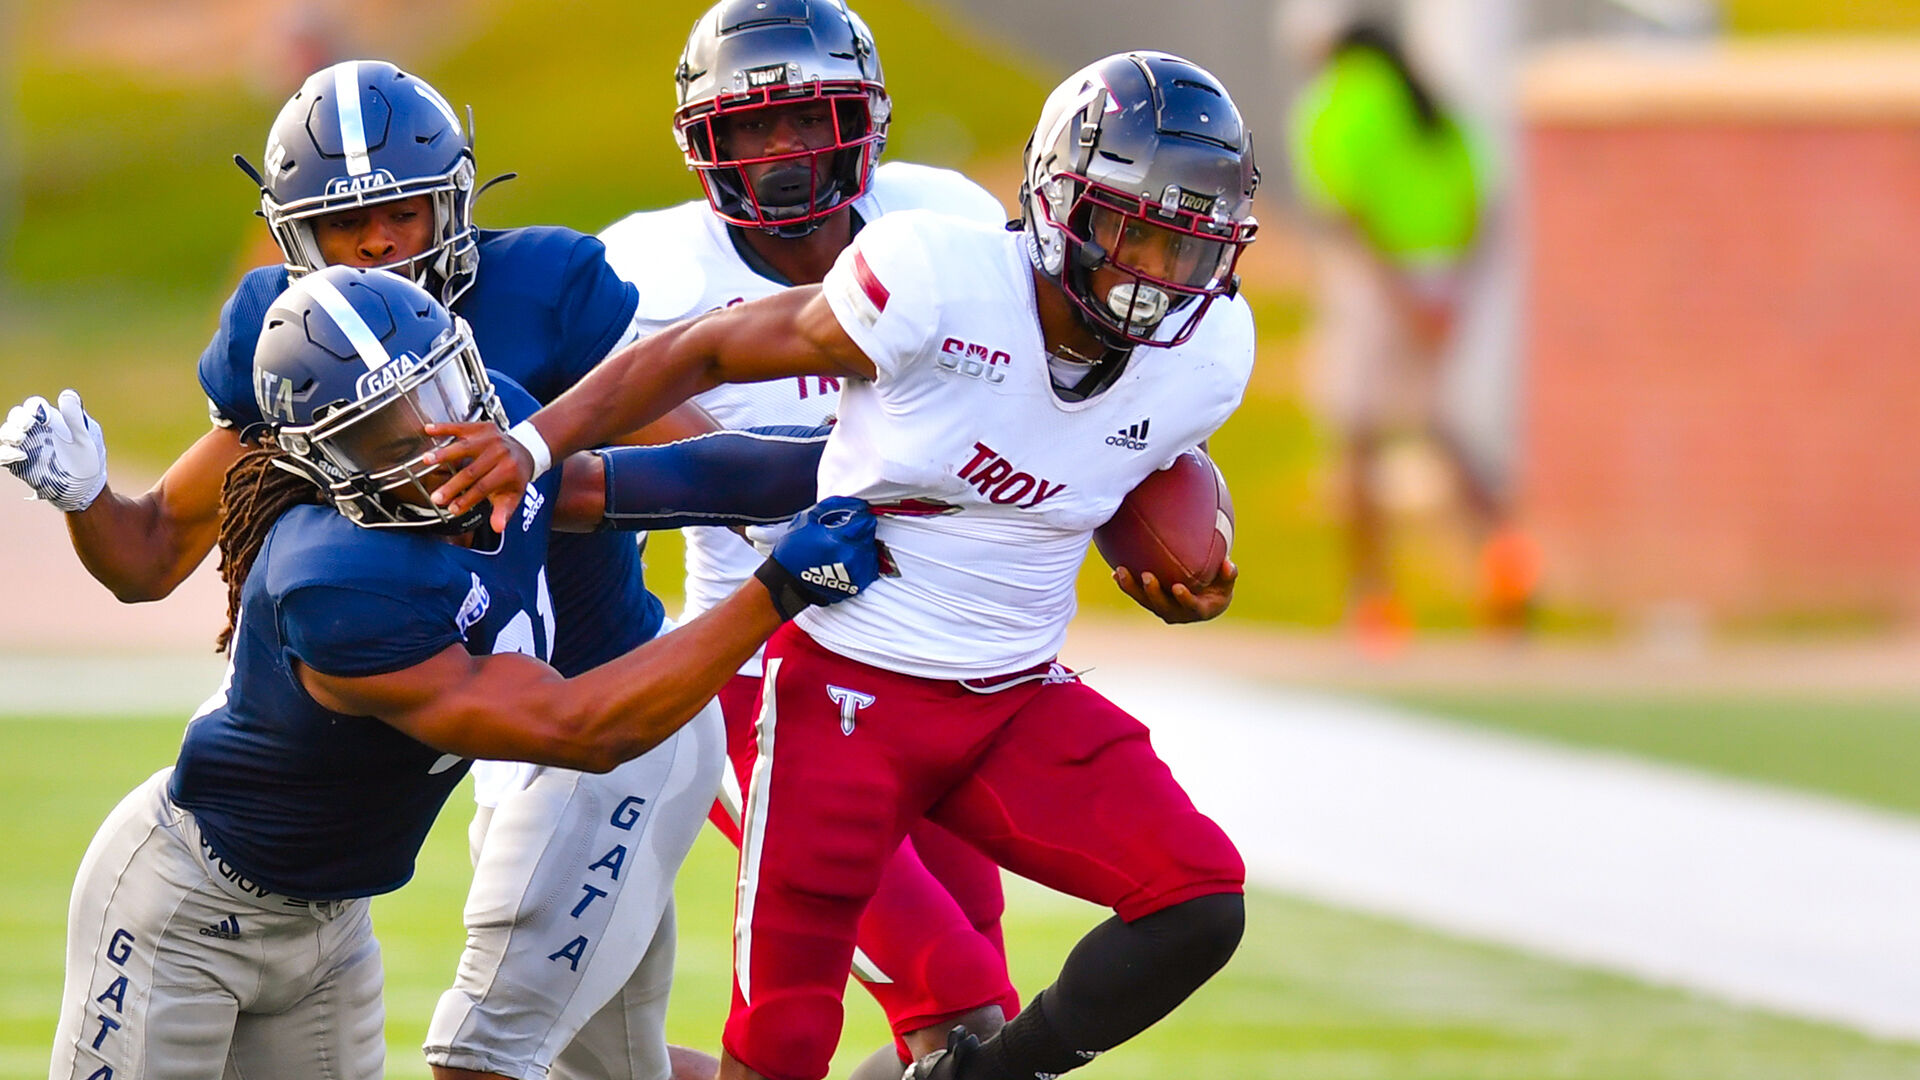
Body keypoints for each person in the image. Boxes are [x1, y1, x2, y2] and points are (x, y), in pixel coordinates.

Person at [428, 50, 1256, 1080]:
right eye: (1134, 232)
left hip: (1014, 695)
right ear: (1059, 207)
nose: (1156, 274)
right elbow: (714, 389)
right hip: (835, 687)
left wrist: (1190, 562)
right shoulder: (935, 281)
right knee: (796, 1044)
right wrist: (533, 449)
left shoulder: (1210, 348)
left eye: (1187, 246)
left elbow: (1133, 451)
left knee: (1189, 905)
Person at [0, 60, 720, 1080]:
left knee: (490, 1059)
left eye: (400, 212)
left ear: (452, 202)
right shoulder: (298, 352)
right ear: (296, 238)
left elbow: (701, 468)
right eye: (345, 224)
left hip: (604, 700)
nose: (378, 243)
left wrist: (845, 507)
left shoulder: (542, 298)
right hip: (479, 722)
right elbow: (152, 553)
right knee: (603, 1070)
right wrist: (84, 500)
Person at [47, 264, 884, 1080]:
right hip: (189, 910)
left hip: (332, 923)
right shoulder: (340, 583)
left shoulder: (498, 427)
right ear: (321, 461)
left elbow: (664, 478)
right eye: (380, 431)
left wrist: (893, 461)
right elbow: (584, 729)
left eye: (439, 389)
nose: (432, 435)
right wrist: (776, 592)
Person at [598, 2, 1017, 1074]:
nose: (782, 152)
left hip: (934, 670)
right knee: (962, 1015)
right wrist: (752, 475)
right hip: (760, 680)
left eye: (807, 119)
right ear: (706, 139)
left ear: (864, 120)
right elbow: (578, 405)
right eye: (752, 127)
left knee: (976, 1041)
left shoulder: (944, 223)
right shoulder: (647, 270)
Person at [1286, 18, 1538, 644]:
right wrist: (1450, 295)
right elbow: (1482, 202)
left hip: (1378, 282)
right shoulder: (1432, 104)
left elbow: (1347, 210)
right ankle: (1508, 566)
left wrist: (1401, 297)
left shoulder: (1341, 99)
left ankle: (1372, 602)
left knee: (1357, 442)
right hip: (1441, 279)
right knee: (1440, 432)